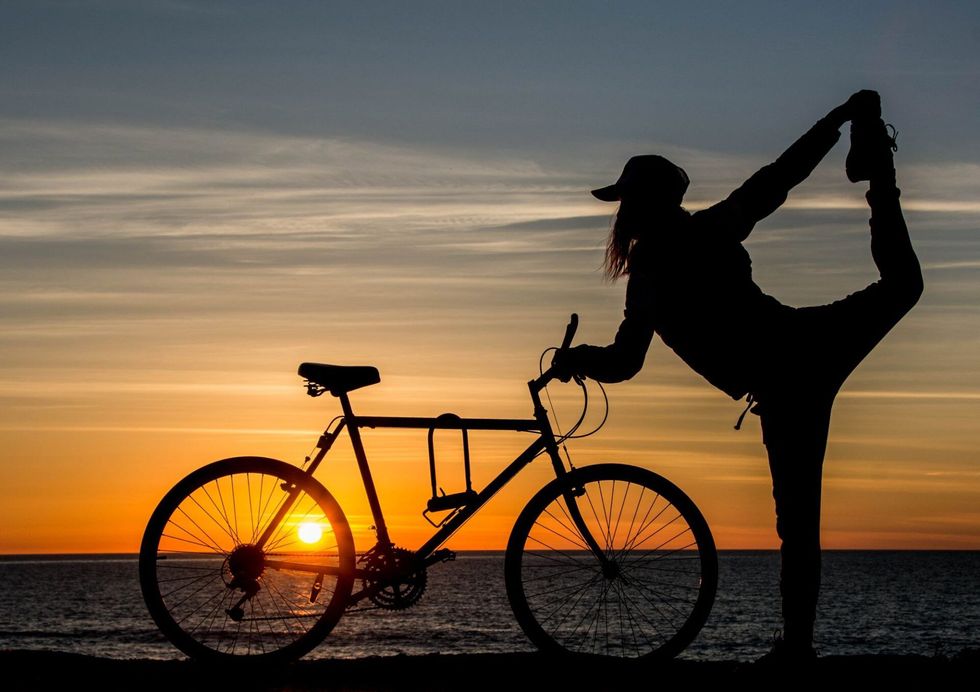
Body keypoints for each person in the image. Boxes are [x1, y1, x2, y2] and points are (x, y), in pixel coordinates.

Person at [553, 90, 923, 661]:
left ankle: (797, 648)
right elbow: (779, 178)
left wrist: (576, 361)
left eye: (625, 201)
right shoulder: (705, 234)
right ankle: (878, 168)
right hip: (803, 353)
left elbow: (625, 361)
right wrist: (838, 120)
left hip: (788, 373)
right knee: (903, 287)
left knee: (798, 523)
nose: (621, 212)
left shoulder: (653, 273)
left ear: (641, 204)